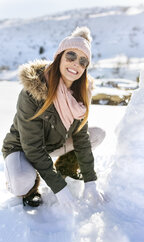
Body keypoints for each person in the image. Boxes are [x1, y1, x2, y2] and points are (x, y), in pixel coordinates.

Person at [2, 26, 105, 208]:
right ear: (59, 56)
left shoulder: (80, 95)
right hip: (22, 148)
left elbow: (81, 138)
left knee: (97, 135)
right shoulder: (33, 91)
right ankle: (29, 186)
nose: (75, 64)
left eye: (83, 61)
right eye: (71, 56)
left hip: (52, 145)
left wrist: (90, 181)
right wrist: (60, 188)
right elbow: (33, 147)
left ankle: (64, 168)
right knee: (21, 183)